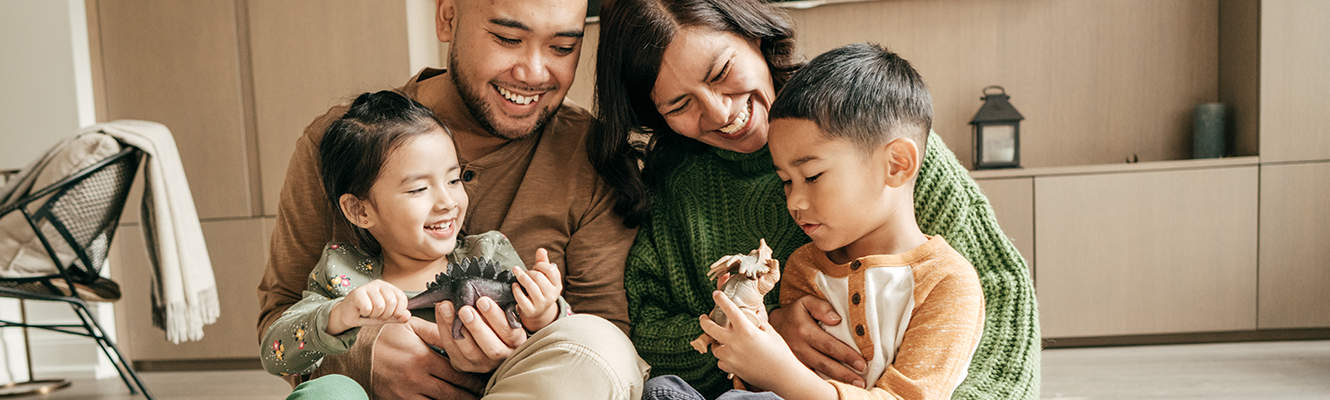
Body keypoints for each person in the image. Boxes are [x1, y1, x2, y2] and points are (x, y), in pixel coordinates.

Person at [591, 0, 1040, 398]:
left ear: (752, 34)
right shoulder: (675, 189)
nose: (720, 112)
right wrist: (766, 330)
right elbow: (648, 333)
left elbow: (1000, 300)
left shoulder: (874, 138)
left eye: (721, 73)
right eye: (678, 105)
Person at [256, 0, 647, 398]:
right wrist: (360, 352)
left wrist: (543, 315)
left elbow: (599, 343)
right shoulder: (338, 155)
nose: (533, 72)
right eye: (509, 38)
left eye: (563, 47)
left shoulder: (593, 158)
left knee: (598, 342)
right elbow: (280, 329)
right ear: (447, 17)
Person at [694, 42, 986, 400]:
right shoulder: (804, 266)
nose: (795, 201)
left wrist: (780, 373)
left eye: (813, 176)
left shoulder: (947, 283)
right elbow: (767, 383)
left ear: (896, 164)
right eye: (786, 181)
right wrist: (751, 325)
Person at [260, 90, 569, 378]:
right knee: (325, 391)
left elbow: (568, 348)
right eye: (419, 189)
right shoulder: (343, 273)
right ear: (360, 211)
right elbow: (275, 354)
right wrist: (337, 316)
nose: (447, 202)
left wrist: (544, 313)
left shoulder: (487, 252)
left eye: (454, 180)